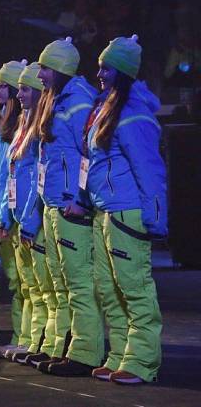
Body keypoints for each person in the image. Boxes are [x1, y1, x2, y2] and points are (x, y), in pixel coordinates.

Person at [85, 35, 166, 384]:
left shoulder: (133, 113)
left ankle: (142, 362)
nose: (100, 72)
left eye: (107, 67)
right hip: (106, 211)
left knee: (134, 287)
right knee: (108, 287)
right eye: (101, 66)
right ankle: (121, 354)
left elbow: (150, 170)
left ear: (123, 72)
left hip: (127, 212)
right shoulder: (108, 107)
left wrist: (155, 219)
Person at [34, 37, 102, 376]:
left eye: (45, 67)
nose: (40, 73)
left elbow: (88, 154)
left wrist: (80, 198)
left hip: (70, 206)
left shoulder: (78, 102)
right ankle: (70, 347)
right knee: (62, 282)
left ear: (60, 68)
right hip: (55, 203)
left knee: (78, 282)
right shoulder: (59, 100)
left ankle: (86, 352)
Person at [4, 63, 55, 366]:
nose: (18, 94)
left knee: (46, 285)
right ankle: (31, 340)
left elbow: (36, 178)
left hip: (32, 215)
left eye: (24, 89)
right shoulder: (24, 123)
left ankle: (45, 342)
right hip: (20, 215)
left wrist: (29, 218)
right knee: (30, 285)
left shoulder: (40, 126)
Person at [0, 60, 26, 359]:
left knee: (26, 280)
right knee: (16, 280)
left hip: (13, 213)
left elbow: (13, 176)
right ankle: (20, 336)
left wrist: (4, 214)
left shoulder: (18, 127)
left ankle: (30, 337)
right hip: (4, 211)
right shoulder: (1, 120)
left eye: (2, 85)